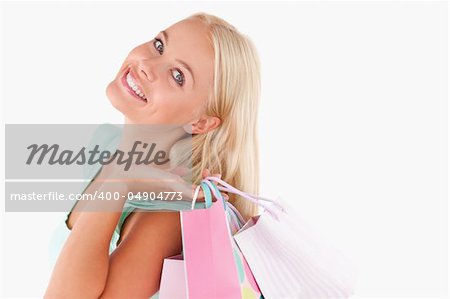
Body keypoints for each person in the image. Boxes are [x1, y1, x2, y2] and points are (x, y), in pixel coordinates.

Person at [45, 12, 261, 298]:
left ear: (201, 123)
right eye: (159, 45)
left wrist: (120, 179)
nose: (147, 65)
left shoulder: (168, 218)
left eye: (177, 76)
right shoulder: (107, 143)